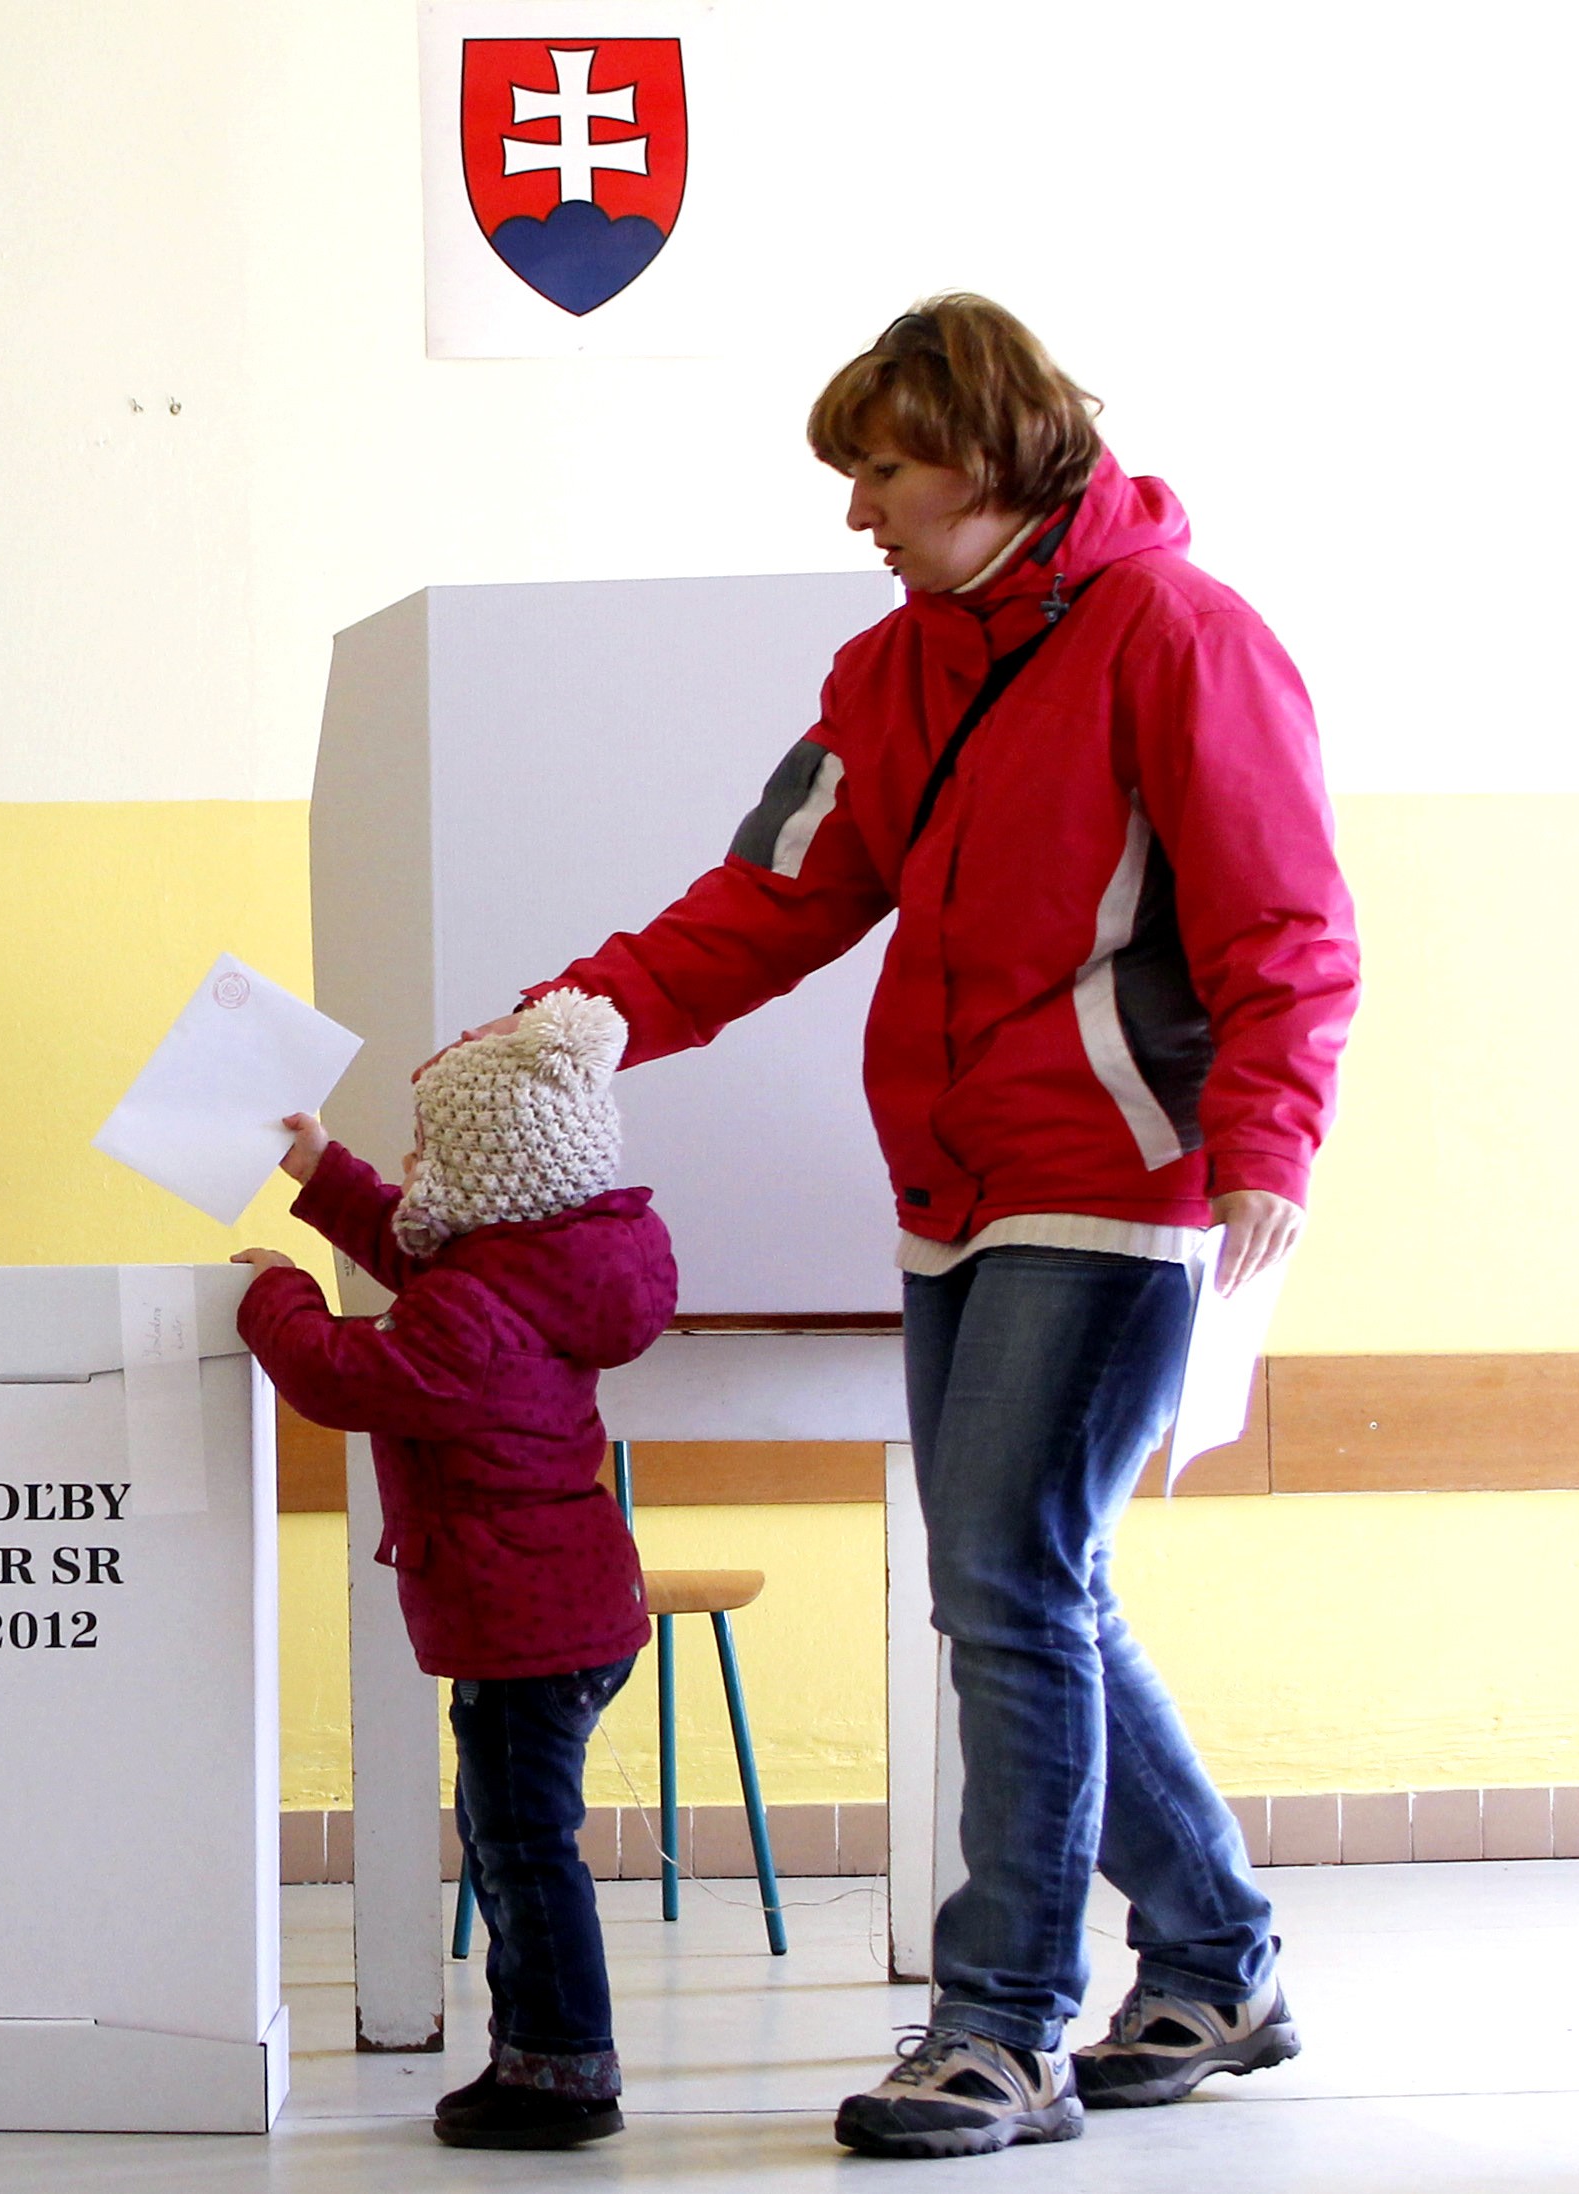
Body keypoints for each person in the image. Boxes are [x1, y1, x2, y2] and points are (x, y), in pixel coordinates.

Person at [477, 295, 1359, 2159]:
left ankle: (1000, 2025)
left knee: (1008, 1580)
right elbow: (770, 896)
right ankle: (1214, 1954)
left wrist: (1267, 1137)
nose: (856, 509)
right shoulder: (889, 673)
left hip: (1113, 1176)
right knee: (1022, 1578)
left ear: (987, 453)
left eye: (881, 467)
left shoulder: (1176, 635)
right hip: (954, 1185)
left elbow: (1285, 921)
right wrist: (582, 1011)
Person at [231, 993, 675, 2150]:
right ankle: (539, 2056)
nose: (414, 1167)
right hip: (564, 1608)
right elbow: (417, 1247)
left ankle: (564, 2071)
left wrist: (276, 1292)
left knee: (523, 1849)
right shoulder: (540, 1266)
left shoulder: (472, 1313)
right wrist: (321, 1169)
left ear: (484, 1178)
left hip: (522, 1625)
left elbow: (340, 1374)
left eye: (429, 1150)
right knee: (512, 1839)